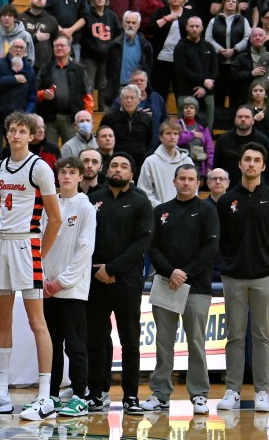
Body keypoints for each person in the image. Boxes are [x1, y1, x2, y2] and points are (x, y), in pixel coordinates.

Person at [0, 111, 62, 419]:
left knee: (36, 321)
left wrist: (39, 254)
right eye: (12, 130)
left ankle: (45, 396)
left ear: (32, 136)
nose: (16, 135)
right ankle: (1, 392)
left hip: (26, 244)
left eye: (22, 131)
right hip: (2, 244)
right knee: (1, 321)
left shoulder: (40, 167)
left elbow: (55, 219)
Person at [141, 162, 218, 414]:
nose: (185, 183)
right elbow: (152, 247)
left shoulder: (207, 211)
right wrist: (169, 271)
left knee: (196, 341)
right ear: (174, 181)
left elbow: (210, 247)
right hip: (165, 283)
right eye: (181, 178)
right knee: (163, 342)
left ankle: (198, 394)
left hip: (196, 286)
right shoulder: (161, 211)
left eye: (190, 179)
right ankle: (160, 393)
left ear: (198, 183)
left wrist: (185, 273)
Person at [86, 153, 153, 414]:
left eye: (124, 166)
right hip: (95, 279)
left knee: (130, 340)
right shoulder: (93, 200)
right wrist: (100, 270)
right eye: (114, 165)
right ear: (106, 170)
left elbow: (142, 243)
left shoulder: (140, 202)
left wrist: (112, 269)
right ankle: (96, 393)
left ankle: (131, 396)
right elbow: (84, 240)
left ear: (132, 174)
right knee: (96, 339)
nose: (118, 169)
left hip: (128, 281)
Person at [39, 155, 96, 417]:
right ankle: (49, 395)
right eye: (62, 172)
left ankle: (80, 394)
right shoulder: (48, 207)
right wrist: (42, 277)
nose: (66, 176)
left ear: (80, 177)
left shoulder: (85, 208)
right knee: (51, 343)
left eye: (72, 172)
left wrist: (60, 282)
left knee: (75, 344)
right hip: (47, 286)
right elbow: (40, 244)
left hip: (71, 288)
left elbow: (85, 249)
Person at [215, 143, 269, 411]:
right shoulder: (226, 201)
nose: (251, 164)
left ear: (263, 166)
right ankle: (233, 390)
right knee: (234, 335)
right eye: (247, 159)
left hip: (264, 277)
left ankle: (263, 391)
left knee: (262, 336)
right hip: (233, 277)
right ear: (239, 164)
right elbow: (218, 240)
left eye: (256, 160)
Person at [0, 37, 37, 161]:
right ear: (9, 50)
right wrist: (13, 79)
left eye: (21, 48)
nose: (18, 50)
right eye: (15, 47)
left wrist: (27, 114)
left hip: (18, 118)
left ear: (25, 52)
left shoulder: (30, 70)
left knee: (17, 151)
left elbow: (32, 97)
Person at [138, 120, 191, 205]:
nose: (172, 137)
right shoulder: (151, 161)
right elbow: (144, 191)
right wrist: (161, 208)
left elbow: (193, 189)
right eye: (168, 133)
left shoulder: (187, 161)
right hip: (159, 213)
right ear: (161, 137)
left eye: (175, 134)